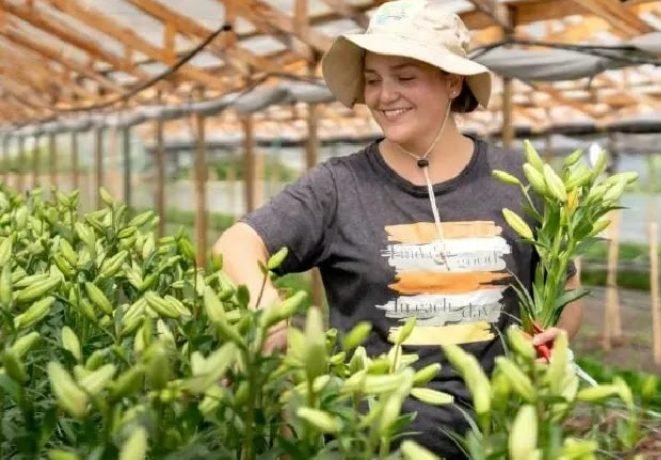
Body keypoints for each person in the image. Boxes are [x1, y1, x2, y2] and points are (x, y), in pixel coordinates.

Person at [213, 0, 583, 456]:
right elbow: (237, 243)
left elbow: (565, 288)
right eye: (373, 80)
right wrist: (266, 310)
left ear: (453, 81)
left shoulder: (520, 181)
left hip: (498, 436)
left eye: (405, 77)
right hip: (368, 440)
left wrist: (557, 337)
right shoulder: (339, 186)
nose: (385, 95)